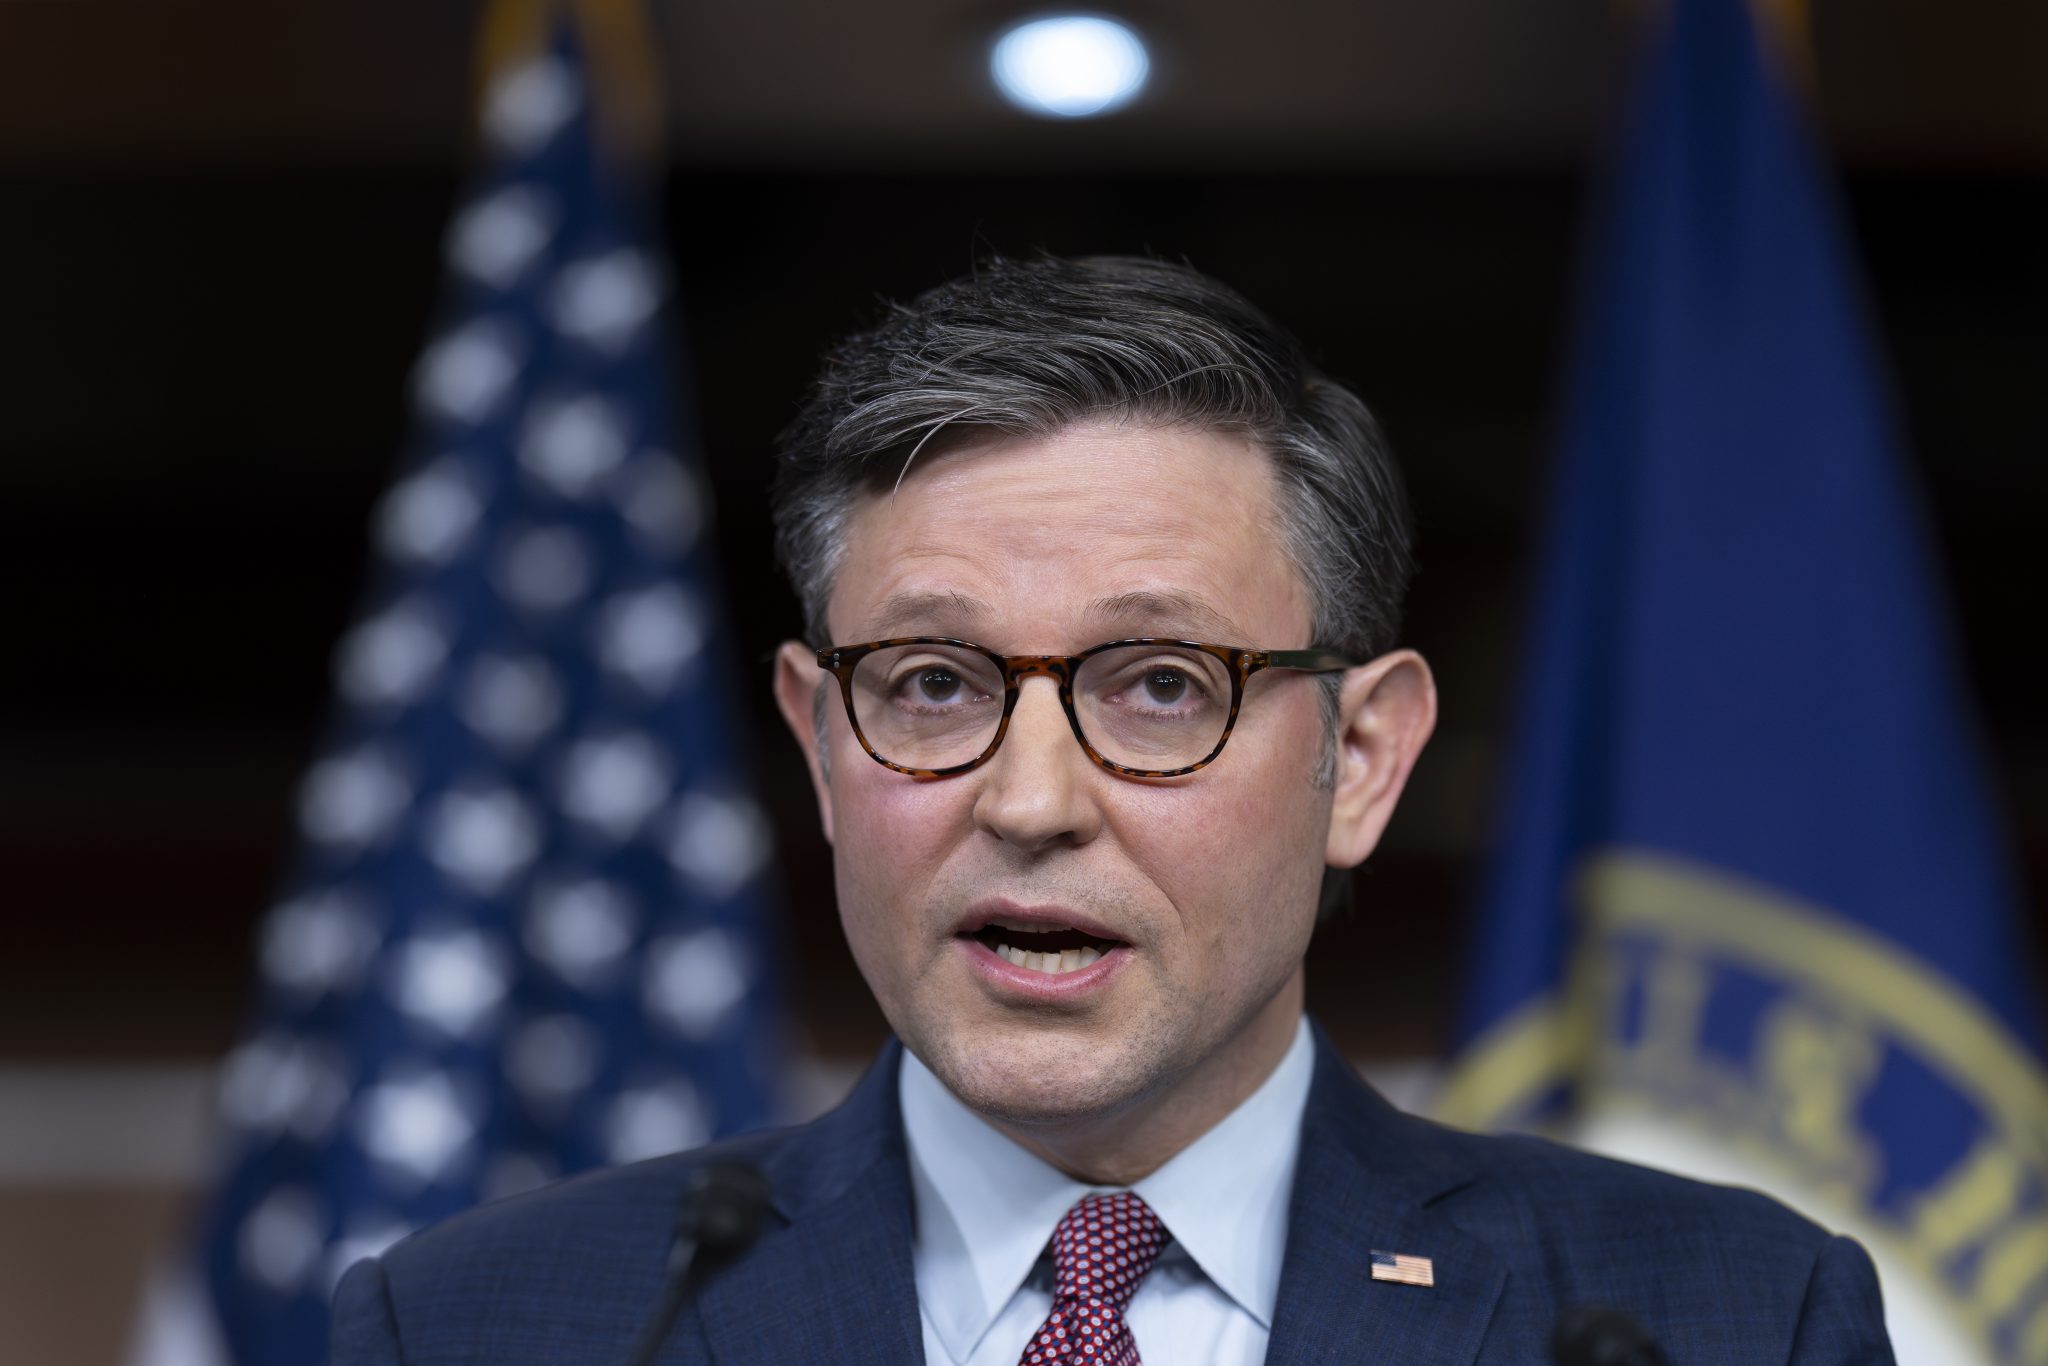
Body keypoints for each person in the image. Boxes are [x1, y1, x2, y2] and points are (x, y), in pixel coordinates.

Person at [332, 255, 1894, 1364]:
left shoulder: (1719, 1319)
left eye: (1159, 686)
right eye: (934, 684)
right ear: (818, 743)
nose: (1028, 800)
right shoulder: (484, 1323)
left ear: (1359, 757)